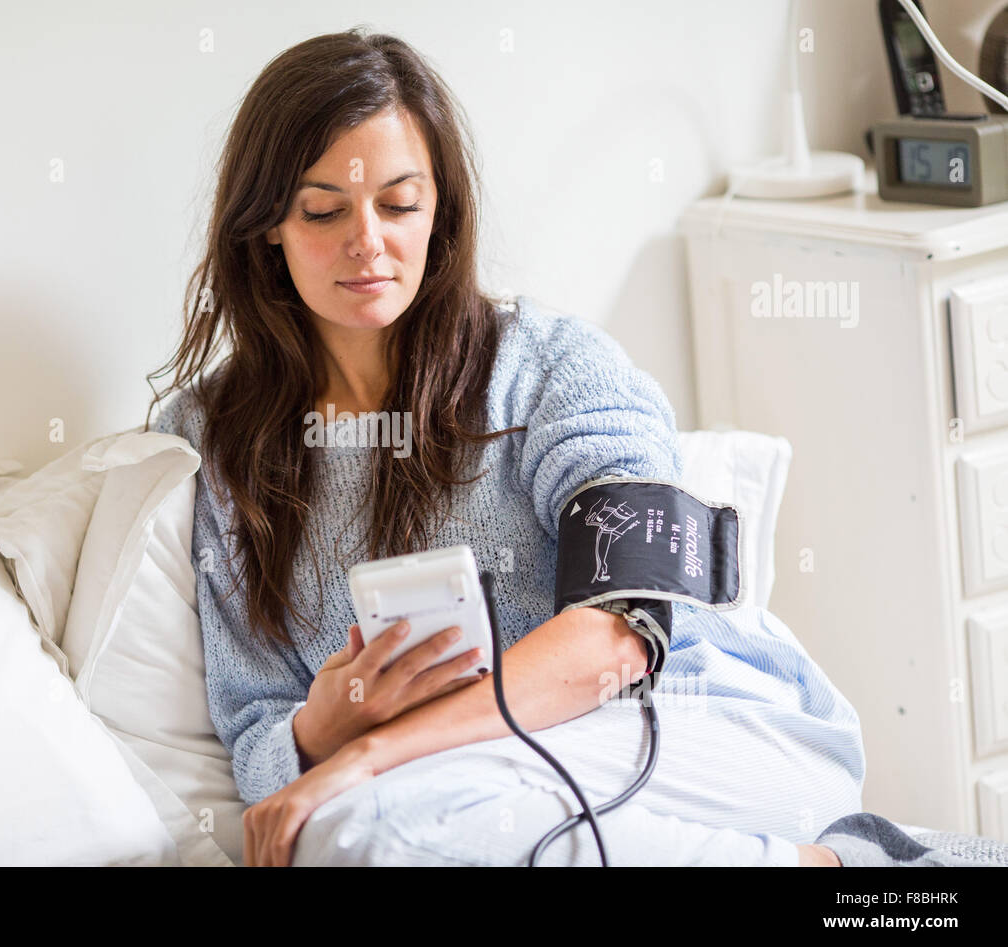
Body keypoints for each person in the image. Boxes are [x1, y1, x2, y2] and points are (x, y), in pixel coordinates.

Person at [147, 27, 867, 867]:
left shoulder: (556, 365)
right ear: (268, 222)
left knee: (402, 818)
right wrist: (329, 722)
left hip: (695, 723)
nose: (367, 241)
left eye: (400, 203)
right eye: (323, 210)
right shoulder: (212, 437)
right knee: (358, 829)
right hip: (456, 780)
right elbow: (256, 729)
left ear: (441, 207)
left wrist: (383, 749)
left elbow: (622, 630)